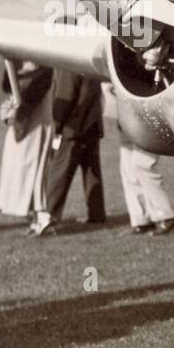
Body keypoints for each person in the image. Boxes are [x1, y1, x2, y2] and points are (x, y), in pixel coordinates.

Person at [31, 68, 105, 236]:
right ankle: (97, 214)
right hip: (92, 125)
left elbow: (66, 97)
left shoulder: (68, 66)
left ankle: (48, 217)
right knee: (92, 172)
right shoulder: (88, 65)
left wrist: (56, 127)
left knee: (58, 173)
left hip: (73, 129)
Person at [102, 82, 174, 235]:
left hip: (147, 114)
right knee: (128, 167)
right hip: (127, 115)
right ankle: (141, 219)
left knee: (142, 164)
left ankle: (167, 215)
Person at [0, 59, 53, 229]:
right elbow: (8, 88)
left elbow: (29, 99)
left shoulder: (44, 72)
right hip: (21, 128)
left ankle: (41, 214)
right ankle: (34, 215)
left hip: (36, 126)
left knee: (35, 170)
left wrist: (14, 114)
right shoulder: (17, 67)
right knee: (19, 170)